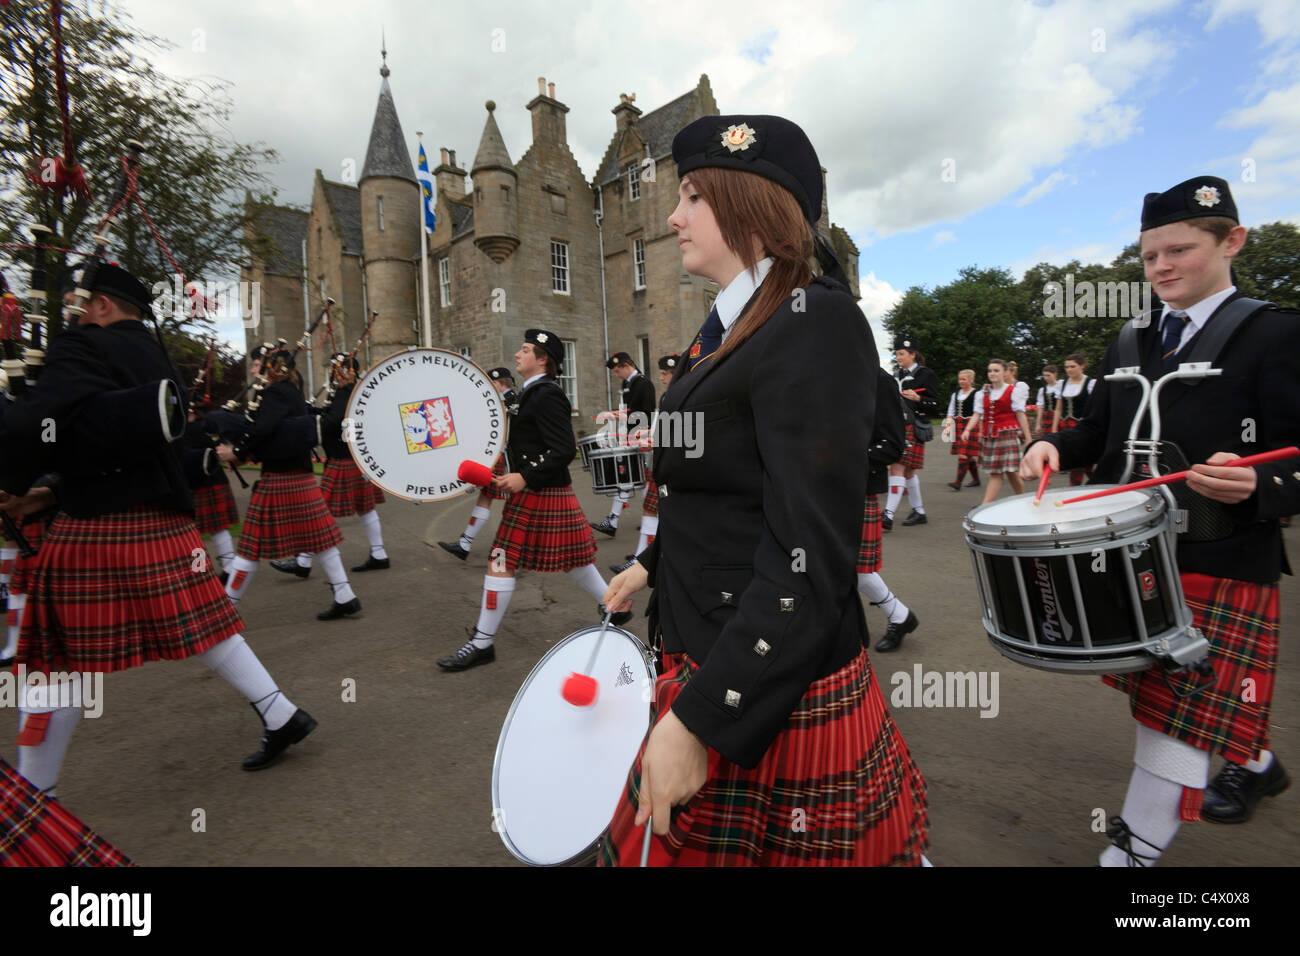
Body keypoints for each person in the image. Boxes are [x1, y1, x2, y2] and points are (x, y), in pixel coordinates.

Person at [598, 114, 928, 866]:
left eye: (692, 197)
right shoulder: (725, 329)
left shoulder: (814, 322)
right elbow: (729, 490)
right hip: (705, 642)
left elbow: (809, 549)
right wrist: (656, 560)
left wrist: (704, 721)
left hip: (759, 670)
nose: (673, 218)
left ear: (747, 204)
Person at [1021, 175, 1299, 865]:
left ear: (1232, 240)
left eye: (1178, 250)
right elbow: (1096, 431)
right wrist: (1052, 444)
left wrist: (1258, 480)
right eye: (1149, 257)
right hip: (1132, 556)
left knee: (1171, 724)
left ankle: (1129, 859)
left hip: (1221, 558)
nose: (1161, 268)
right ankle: (1256, 761)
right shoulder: (1131, 339)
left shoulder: (1277, 335)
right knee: (1186, 702)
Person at [0, 263, 316, 791]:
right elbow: (122, 435)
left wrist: (13, 477)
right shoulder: (154, 354)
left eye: (80, 302)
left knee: (55, 661)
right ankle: (281, 713)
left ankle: (35, 798)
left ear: (101, 304)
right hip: (162, 519)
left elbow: (40, 426)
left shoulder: (77, 348)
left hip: (97, 525)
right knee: (206, 628)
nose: (75, 313)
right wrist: (50, 492)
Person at [436, 330, 631, 672]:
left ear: (543, 359)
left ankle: (482, 643)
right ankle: (614, 606)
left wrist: (524, 476)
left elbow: (563, 449)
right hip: (537, 492)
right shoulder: (530, 394)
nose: (517, 355)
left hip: (543, 490)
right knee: (571, 559)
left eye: (525, 350)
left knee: (503, 561)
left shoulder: (547, 395)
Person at [218, 346, 361, 620]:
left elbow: (263, 430)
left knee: (250, 547)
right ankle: (345, 595)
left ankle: (225, 610)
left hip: (280, 478)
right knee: (322, 539)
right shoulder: (292, 391)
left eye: (258, 363)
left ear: (275, 366)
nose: (253, 369)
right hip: (301, 476)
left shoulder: (275, 392)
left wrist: (236, 452)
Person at [271, 352, 390, 578]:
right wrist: (313, 410)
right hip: (354, 460)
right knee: (366, 509)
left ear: (346, 372)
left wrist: (312, 419)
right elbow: (334, 414)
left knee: (318, 512)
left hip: (343, 461)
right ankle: (379, 554)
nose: (332, 373)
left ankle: (303, 562)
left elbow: (334, 422)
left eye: (336, 369)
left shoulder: (346, 393)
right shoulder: (355, 393)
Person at [862, 368, 919, 652]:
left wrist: (842, 460)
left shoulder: (878, 380)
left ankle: (900, 615)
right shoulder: (824, 372)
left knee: (855, 569)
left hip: (855, 486)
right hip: (822, 487)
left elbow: (892, 446)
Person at [439, 366, 517, 561]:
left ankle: (511, 548)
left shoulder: (508, 401)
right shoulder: (514, 399)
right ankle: (465, 542)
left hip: (507, 458)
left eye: (491, 385)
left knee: (515, 504)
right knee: (488, 497)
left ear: (499, 384)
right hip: (505, 457)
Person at [611, 353, 679, 575]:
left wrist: (653, 437)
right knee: (652, 510)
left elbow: (687, 431)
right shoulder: (669, 395)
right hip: (665, 461)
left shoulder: (680, 394)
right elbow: (669, 427)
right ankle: (645, 558)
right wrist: (650, 434)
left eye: (664, 373)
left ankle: (648, 559)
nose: (660, 378)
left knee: (660, 512)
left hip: (678, 466)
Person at [590, 351, 657, 538]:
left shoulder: (644, 384)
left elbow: (647, 413)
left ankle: (651, 518)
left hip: (642, 436)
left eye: (618, 371)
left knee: (635, 478)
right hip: (630, 436)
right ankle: (618, 520)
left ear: (627, 365)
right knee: (633, 478)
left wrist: (624, 416)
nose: (617, 375)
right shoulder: (627, 383)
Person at [883, 338, 939, 529]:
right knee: (908, 471)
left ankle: (888, 515)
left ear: (912, 354)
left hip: (913, 426)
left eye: (902, 354)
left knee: (896, 467)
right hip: (897, 424)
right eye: (897, 354)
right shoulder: (897, 374)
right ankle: (919, 511)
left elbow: (935, 404)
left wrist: (919, 398)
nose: (898, 357)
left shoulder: (926, 374)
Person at [963, 359, 1032, 504]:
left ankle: (985, 506)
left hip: (1008, 435)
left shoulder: (1013, 391)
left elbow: (1020, 414)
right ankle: (1022, 500)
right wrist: (968, 429)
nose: (992, 373)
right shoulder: (983, 393)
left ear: (1005, 372)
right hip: (991, 437)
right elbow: (977, 414)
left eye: (996, 370)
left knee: (1005, 473)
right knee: (1003, 473)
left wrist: (1028, 437)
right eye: (990, 371)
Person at [1052, 353, 1095, 485]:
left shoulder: (1091, 383)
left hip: (1082, 428)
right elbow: (1058, 408)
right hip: (1066, 427)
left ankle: (1075, 488)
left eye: (1072, 366)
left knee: (1080, 460)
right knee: (1080, 461)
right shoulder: (1062, 384)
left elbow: (1095, 407)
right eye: (1067, 367)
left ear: (1082, 366)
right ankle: (1099, 483)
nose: (1069, 370)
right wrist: (1054, 429)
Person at [943, 368, 981, 491]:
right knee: (968, 456)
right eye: (960, 379)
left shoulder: (977, 394)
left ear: (971, 380)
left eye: (964, 379)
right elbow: (951, 411)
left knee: (963, 454)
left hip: (971, 425)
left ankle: (958, 483)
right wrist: (948, 424)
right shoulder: (956, 394)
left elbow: (979, 412)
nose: (961, 381)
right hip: (958, 425)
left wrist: (981, 429)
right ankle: (976, 480)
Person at [1034, 364, 1061, 437]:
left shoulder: (1061, 386)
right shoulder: (1042, 390)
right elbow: (1040, 408)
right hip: (1048, 418)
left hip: (1060, 418)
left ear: (1055, 374)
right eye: (1044, 375)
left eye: (1048, 375)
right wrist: (1038, 424)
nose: (1046, 378)